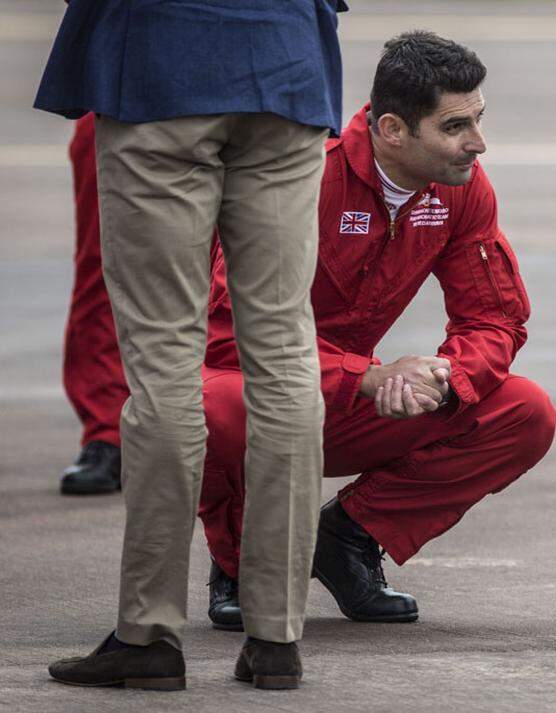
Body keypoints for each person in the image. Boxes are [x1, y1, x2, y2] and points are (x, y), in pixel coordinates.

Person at [197, 31, 556, 632]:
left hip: (354, 402)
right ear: (393, 129)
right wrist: (367, 376)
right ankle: (238, 563)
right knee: (211, 405)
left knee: (524, 411)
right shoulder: (302, 177)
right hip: (267, 393)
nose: (478, 144)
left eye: (478, 119)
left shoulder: (461, 189)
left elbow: (494, 317)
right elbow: (231, 338)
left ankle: (349, 535)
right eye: (454, 127)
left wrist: (443, 379)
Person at [36, 0, 346, 691]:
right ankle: (277, 636)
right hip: (286, 67)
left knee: (164, 362)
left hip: (158, 67)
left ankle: (149, 630)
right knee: (286, 350)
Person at [58, 113, 126, 495]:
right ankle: (107, 430)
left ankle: (229, 428)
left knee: (249, 271)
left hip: (250, 90)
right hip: (125, 91)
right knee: (105, 263)